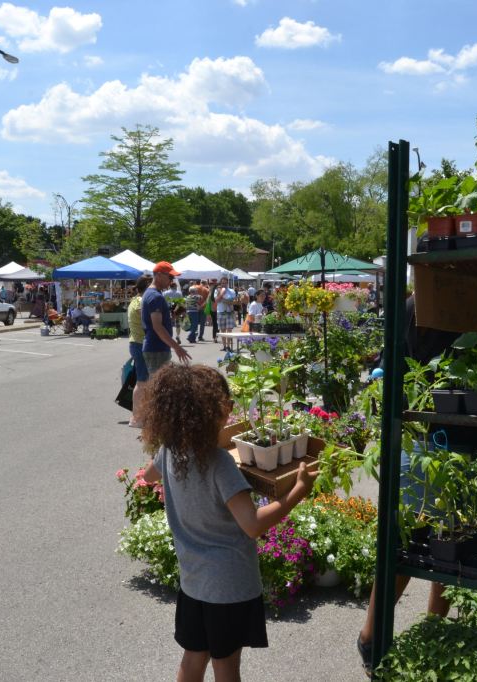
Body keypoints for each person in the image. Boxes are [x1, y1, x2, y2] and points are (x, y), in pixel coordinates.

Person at [356, 284, 477, 675]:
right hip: (430, 440)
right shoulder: (430, 305)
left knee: (448, 547)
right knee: (408, 545)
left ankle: (429, 632)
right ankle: (372, 638)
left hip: (459, 443)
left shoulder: (462, 304)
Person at [141, 364, 317, 682]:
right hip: (230, 584)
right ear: (207, 411)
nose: (231, 408)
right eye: (225, 403)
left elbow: (149, 475)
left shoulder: (170, 451)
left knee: (193, 658)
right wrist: (298, 491)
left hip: (193, 581)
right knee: (226, 665)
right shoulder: (219, 463)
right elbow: (252, 524)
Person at [142, 261, 191, 378]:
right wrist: (177, 347)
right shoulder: (155, 296)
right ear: (158, 275)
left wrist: (171, 317)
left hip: (156, 347)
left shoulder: (152, 293)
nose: (172, 280)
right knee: (159, 388)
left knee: (157, 386)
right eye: (170, 277)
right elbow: (157, 327)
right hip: (157, 348)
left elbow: (154, 321)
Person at [127, 275, 153, 428]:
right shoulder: (140, 302)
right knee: (142, 381)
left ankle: (142, 415)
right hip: (139, 343)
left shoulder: (136, 300)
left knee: (145, 381)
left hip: (137, 343)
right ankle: (136, 418)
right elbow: (149, 321)